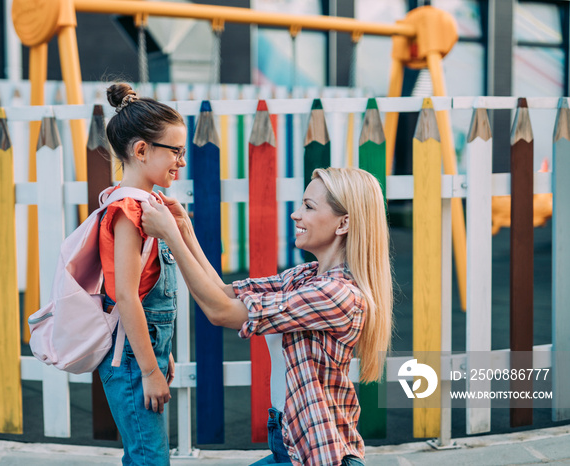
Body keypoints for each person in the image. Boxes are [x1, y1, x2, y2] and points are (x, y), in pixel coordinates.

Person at [141, 167, 393, 466]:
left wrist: (170, 236)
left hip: (319, 455)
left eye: (309, 207)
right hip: (287, 438)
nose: (295, 215)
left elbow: (219, 312)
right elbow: (222, 292)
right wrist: (184, 229)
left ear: (344, 223)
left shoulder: (337, 295)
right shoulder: (306, 277)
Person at [97, 83, 186, 466]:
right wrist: (149, 369)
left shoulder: (150, 205)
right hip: (131, 358)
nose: (181, 161)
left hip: (142, 350)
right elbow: (127, 296)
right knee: (150, 457)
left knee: (143, 455)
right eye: (176, 152)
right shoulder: (130, 213)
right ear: (141, 150)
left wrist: (157, 353)